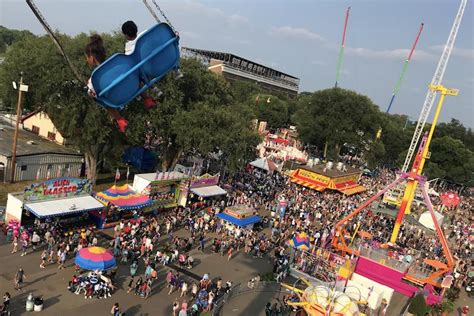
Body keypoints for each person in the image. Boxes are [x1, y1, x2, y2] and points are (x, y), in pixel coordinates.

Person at [85, 35, 128, 133]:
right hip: (127, 91)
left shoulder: (95, 77)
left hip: (114, 100)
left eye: (87, 57)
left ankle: (119, 119)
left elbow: (92, 91)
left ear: (91, 57)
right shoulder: (114, 66)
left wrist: (89, 90)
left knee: (96, 96)